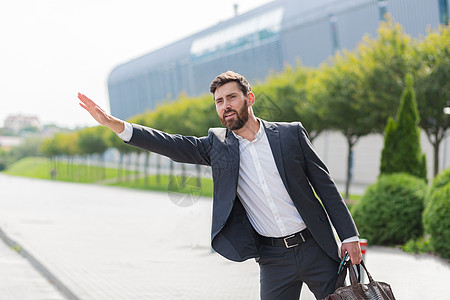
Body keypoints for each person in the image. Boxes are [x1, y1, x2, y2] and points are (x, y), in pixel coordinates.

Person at [77, 71, 362, 299]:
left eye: (231, 98)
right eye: (219, 102)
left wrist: (349, 236)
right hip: (273, 259)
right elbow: (171, 144)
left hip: (316, 247)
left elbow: (325, 187)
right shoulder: (218, 146)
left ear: (249, 98)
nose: (225, 106)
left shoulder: (289, 135)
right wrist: (116, 125)